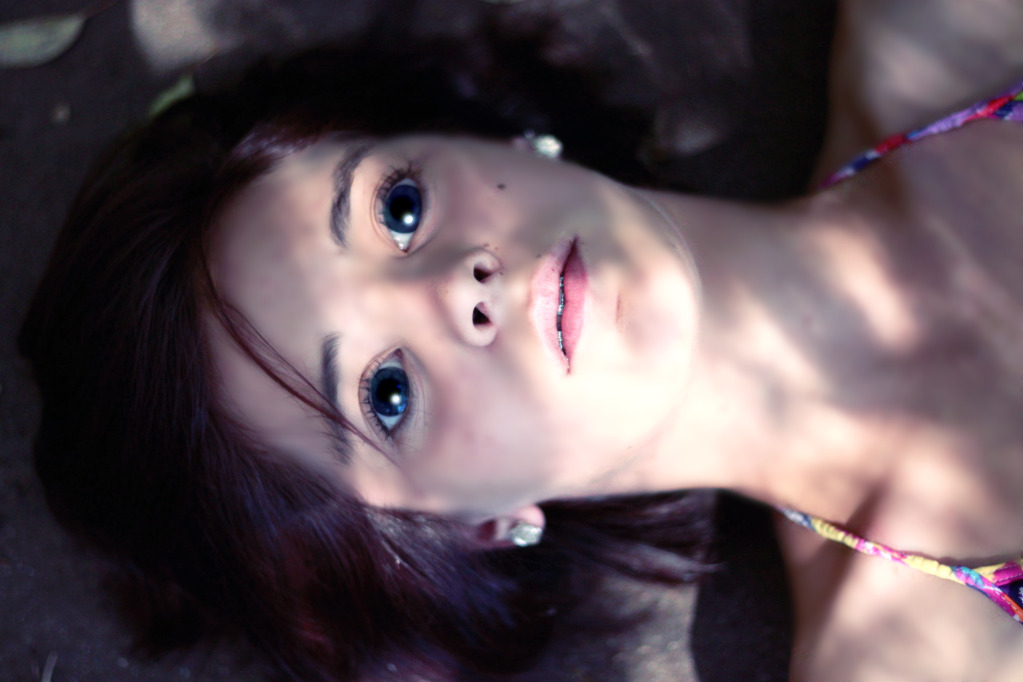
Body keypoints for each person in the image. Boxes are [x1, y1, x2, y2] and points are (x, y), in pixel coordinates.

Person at [18, 1, 1023, 681]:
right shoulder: (917, 661)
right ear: (477, 528)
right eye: (387, 395)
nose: (455, 285)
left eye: (398, 208)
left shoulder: (940, 27)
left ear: (485, 137)